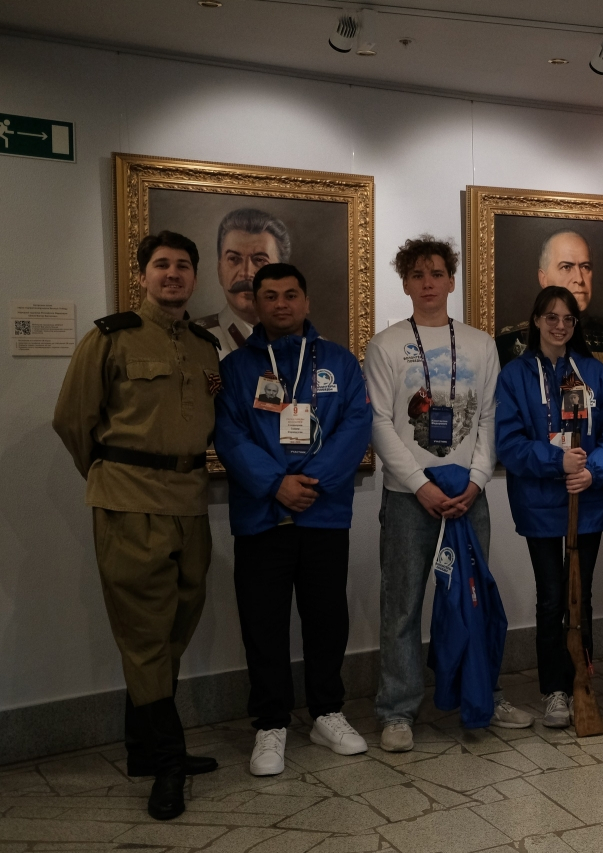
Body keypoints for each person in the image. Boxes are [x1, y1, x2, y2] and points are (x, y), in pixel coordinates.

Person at [53, 231, 223, 821]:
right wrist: (113, 476)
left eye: (183, 266)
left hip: (190, 501)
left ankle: (143, 748)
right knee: (146, 633)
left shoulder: (204, 346)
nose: (173, 274)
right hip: (130, 502)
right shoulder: (110, 338)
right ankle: (168, 762)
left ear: (194, 277)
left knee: (176, 625)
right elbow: (72, 420)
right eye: (161, 265)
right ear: (143, 275)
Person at [366, 234, 533, 751]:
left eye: (436, 273)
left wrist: (478, 481)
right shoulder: (386, 344)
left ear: (452, 281)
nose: (428, 283)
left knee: (472, 599)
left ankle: (482, 695)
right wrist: (419, 486)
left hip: (467, 498)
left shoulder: (480, 345)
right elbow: (379, 423)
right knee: (402, 607)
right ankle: (398, 710)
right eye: (417, 275)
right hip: (408, 498)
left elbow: (489, 419)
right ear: (405, 284)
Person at [214, 263, 373, 775]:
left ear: (305, 301)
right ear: (255, 304)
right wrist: (275, 484)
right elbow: (230, 435)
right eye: (270, 296)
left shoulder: (340, 362)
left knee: (327, 618)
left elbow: (356, 424)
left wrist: (311, 481)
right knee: (263, 623)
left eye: (290, 295)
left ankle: (327, 712)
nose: (281, 304)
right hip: (262, 516)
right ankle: (270, 723)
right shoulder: (236, 368)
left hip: (323, 514)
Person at [495, 285, 603, 728]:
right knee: (551, 597)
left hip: (588, 502)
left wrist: (593, 471)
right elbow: (509, 444)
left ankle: (582, 679)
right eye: (551, 317)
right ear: (536, 320)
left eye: (568, 318)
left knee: (581, 596)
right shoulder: (514, 376)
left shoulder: (594, 372)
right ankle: (555, 690)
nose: (560, 326)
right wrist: (557, 461)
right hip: (540, 506)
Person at [495, 230, 603, 368]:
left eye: (585, 267)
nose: (579, 279)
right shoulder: (507, 342)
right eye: (566, 267)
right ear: (543, 279)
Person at [194, 208, 291, 359]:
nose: (246, 273)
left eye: (260, 260)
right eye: (234, 259)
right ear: (220, 271)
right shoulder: (191, 342)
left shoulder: (313, 350)